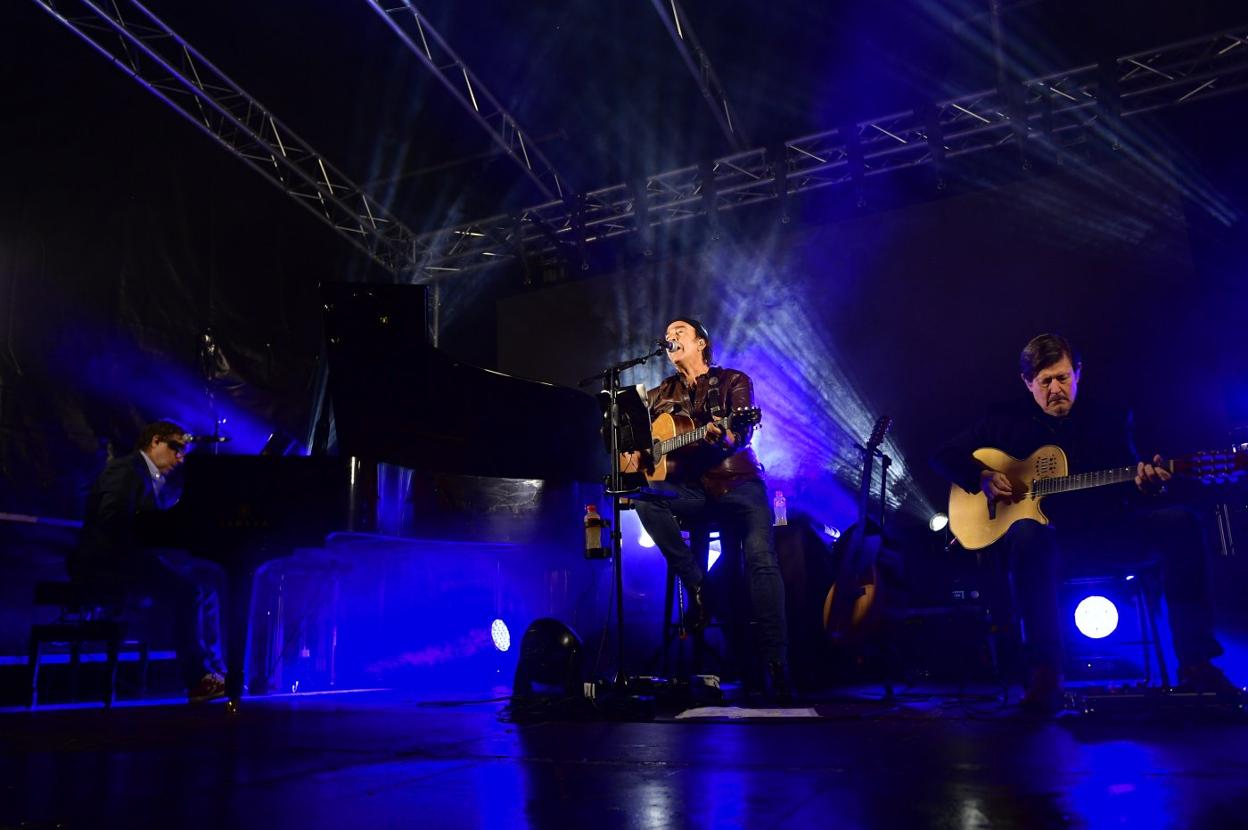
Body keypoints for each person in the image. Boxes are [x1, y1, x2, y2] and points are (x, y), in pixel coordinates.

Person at [931, 333, 1234, 709]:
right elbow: (942, 455)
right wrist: (982, 477)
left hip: (1106, 535)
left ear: (1077, 374)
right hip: (1047, 547)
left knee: (1181, 522)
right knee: (1026, 535)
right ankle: (1045, 675)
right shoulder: (1001, 421)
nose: (1056, 388)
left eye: (1062, 377)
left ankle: (1196, 662)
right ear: (1028, 383)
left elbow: (1130, 491)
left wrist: (1148, 485)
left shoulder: (1108, 417)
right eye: (1045, 381)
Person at [627, 318, 790, 700]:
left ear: (701, 343)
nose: (671, 337)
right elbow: (631, 436)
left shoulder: (733, 380)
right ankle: (701, 585)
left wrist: (725, 434)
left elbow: (739, 436)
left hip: (738, 484)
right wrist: (635, 451)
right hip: (693, 491)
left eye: (679, 331)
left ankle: (776, 665)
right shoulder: (659, 394)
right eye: (667, 334)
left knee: (762, 561)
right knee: (642, 498)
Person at [70, 420, 228, 703]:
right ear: (155, 441)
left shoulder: (145, 476)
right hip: (105, 565)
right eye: (176, 448)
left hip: (127, 560)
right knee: (189, 590)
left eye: (184, 451)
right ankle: (198, 678)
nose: (181, 457)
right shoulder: (126, 469)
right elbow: (113, 522)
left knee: (206, 582)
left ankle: (213, 670)